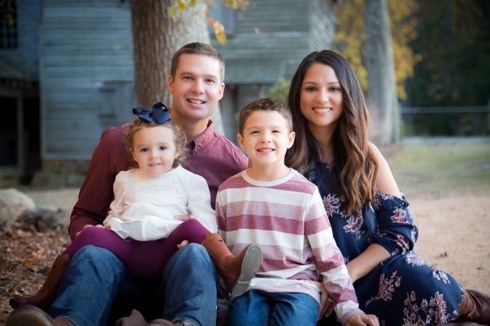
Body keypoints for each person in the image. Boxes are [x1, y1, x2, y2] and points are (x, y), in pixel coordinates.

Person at [6, 42, 249, 326]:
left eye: (208, 80)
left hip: (178, 278)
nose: (198, 88)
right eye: (188, 77)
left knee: (197, 252)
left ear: (220, 90)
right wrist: (94, 233)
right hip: (117, 275)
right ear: (171, 82)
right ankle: (68, 321)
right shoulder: (117, 142)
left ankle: (186, 324)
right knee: (92, 253)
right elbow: (85, 213)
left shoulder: (233, 164)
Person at [284, 49, 490, 325]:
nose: (322, 98)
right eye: (311, 88)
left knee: (425, 286)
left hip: (369, 273)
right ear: (298, 95)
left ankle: (468, 304)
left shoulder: (367, 156)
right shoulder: (282, 159)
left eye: (333, 88)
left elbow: (400, 229)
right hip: (310, 282)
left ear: (348, 96)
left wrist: (344, 274)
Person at [215, 98, 379, 326]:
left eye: (275, 131)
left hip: (298, 287)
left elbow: (328, 256)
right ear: (241, 140)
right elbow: (223, 257)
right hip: (246, 289)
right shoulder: (228, 192)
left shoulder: (305, 192)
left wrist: (348, 309)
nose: (265, 138)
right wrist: (221, 310)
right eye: (255, 132)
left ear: (290, 139)